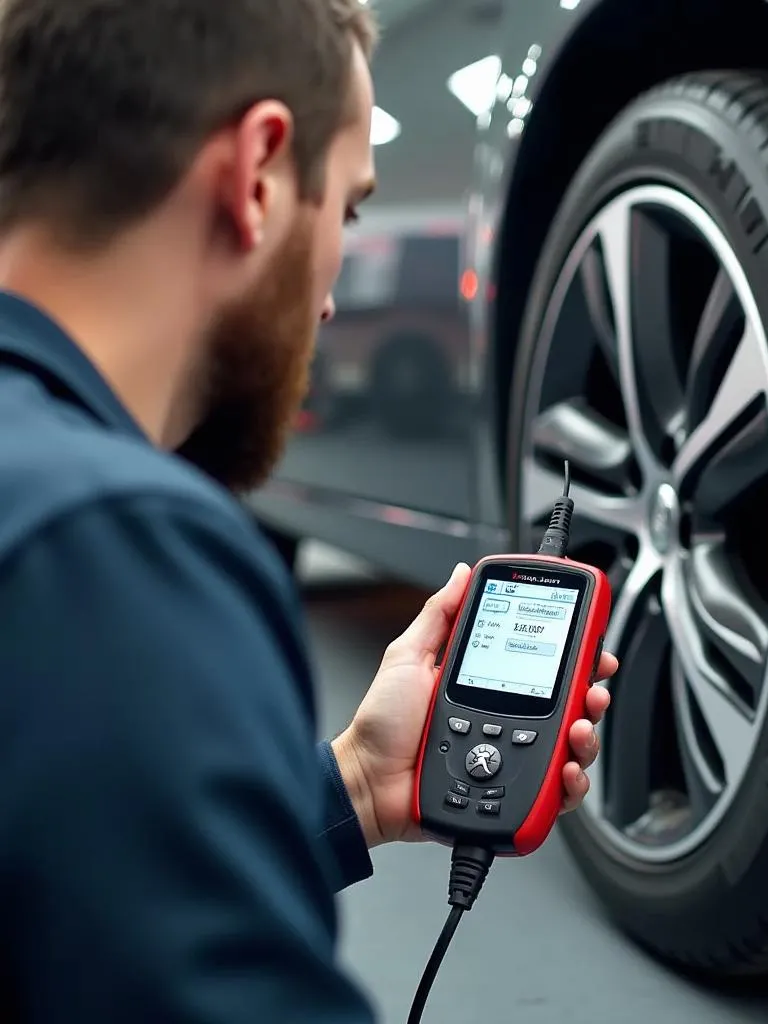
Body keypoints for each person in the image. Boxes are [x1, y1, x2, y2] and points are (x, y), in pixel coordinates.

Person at [0, 1, 618, 1021]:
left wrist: (355, 788)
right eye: (347, 210)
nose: (332, 295)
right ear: (257, 176)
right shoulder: (111, 549)